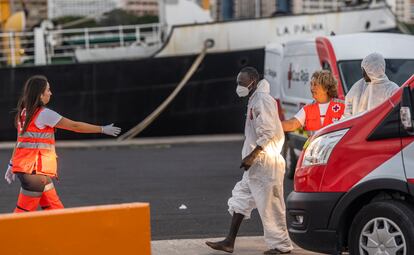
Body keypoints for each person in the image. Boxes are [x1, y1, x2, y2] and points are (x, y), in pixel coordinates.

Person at [205, 67, 293, 254]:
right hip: (256, 167)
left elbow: (268, 132)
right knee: (241, 199)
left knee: (271, 207)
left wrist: (252, 155)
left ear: (253, 80)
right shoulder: (254, 99)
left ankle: (281, 247)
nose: (239, 86)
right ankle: (229, 242)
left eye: (241, 82)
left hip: (265, 164)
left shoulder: (263, 100)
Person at [4, 75, 121, 213]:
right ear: (40, 95)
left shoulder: (23, 113)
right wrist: (102, 129)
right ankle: (9, 235)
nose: (50, 93)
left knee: (56, 209)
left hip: (31, 172)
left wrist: (12, 164)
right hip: (35, 173)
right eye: (48, 90)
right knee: (21, 216)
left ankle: (64, 232)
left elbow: (20, 142)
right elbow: (75, 126)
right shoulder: (44, 114)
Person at [343, 52, 399, 118]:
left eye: (365, 71)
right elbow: (348, 108)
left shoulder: (392, 89)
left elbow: (396, 114)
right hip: (359, 127)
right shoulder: (359, 86)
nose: (363, 75)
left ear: (372, 70)